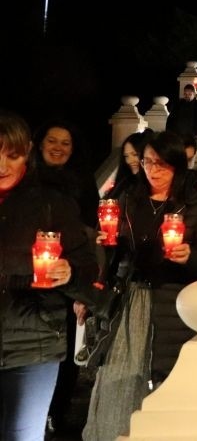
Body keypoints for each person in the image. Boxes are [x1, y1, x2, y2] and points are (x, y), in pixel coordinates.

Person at [82, 130, 197, 441]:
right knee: (119, 376)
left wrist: (189, 257)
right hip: (132, 299)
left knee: (168, 383)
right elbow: (116, 247)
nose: (152, 171)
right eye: (147, 163)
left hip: (175, 301)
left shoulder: (195, 202)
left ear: (176, 165)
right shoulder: (130, 196)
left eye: (161, 165)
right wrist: (108, 242)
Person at [0, 109, 99, 441]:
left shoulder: (51, 202)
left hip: (34, 343)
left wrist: (70, 273)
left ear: (27, 150)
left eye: (12, 156)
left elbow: (87, 268)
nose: (2, 167)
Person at [30, 117, 102, 436]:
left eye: (66, 143)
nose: (58, 148)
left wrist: (84, 288)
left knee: (66, 353)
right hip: (27, 283)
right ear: (39, 144)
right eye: (52, 141)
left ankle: (56, 412)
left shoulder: (82, 184)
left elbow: (89, 234)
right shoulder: (24, 181)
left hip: (68, 278)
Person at [104, 130, 151, 201]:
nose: (129, 161)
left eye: (135, 154)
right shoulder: (124, 184)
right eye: (126, 156)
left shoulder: (154, 187)